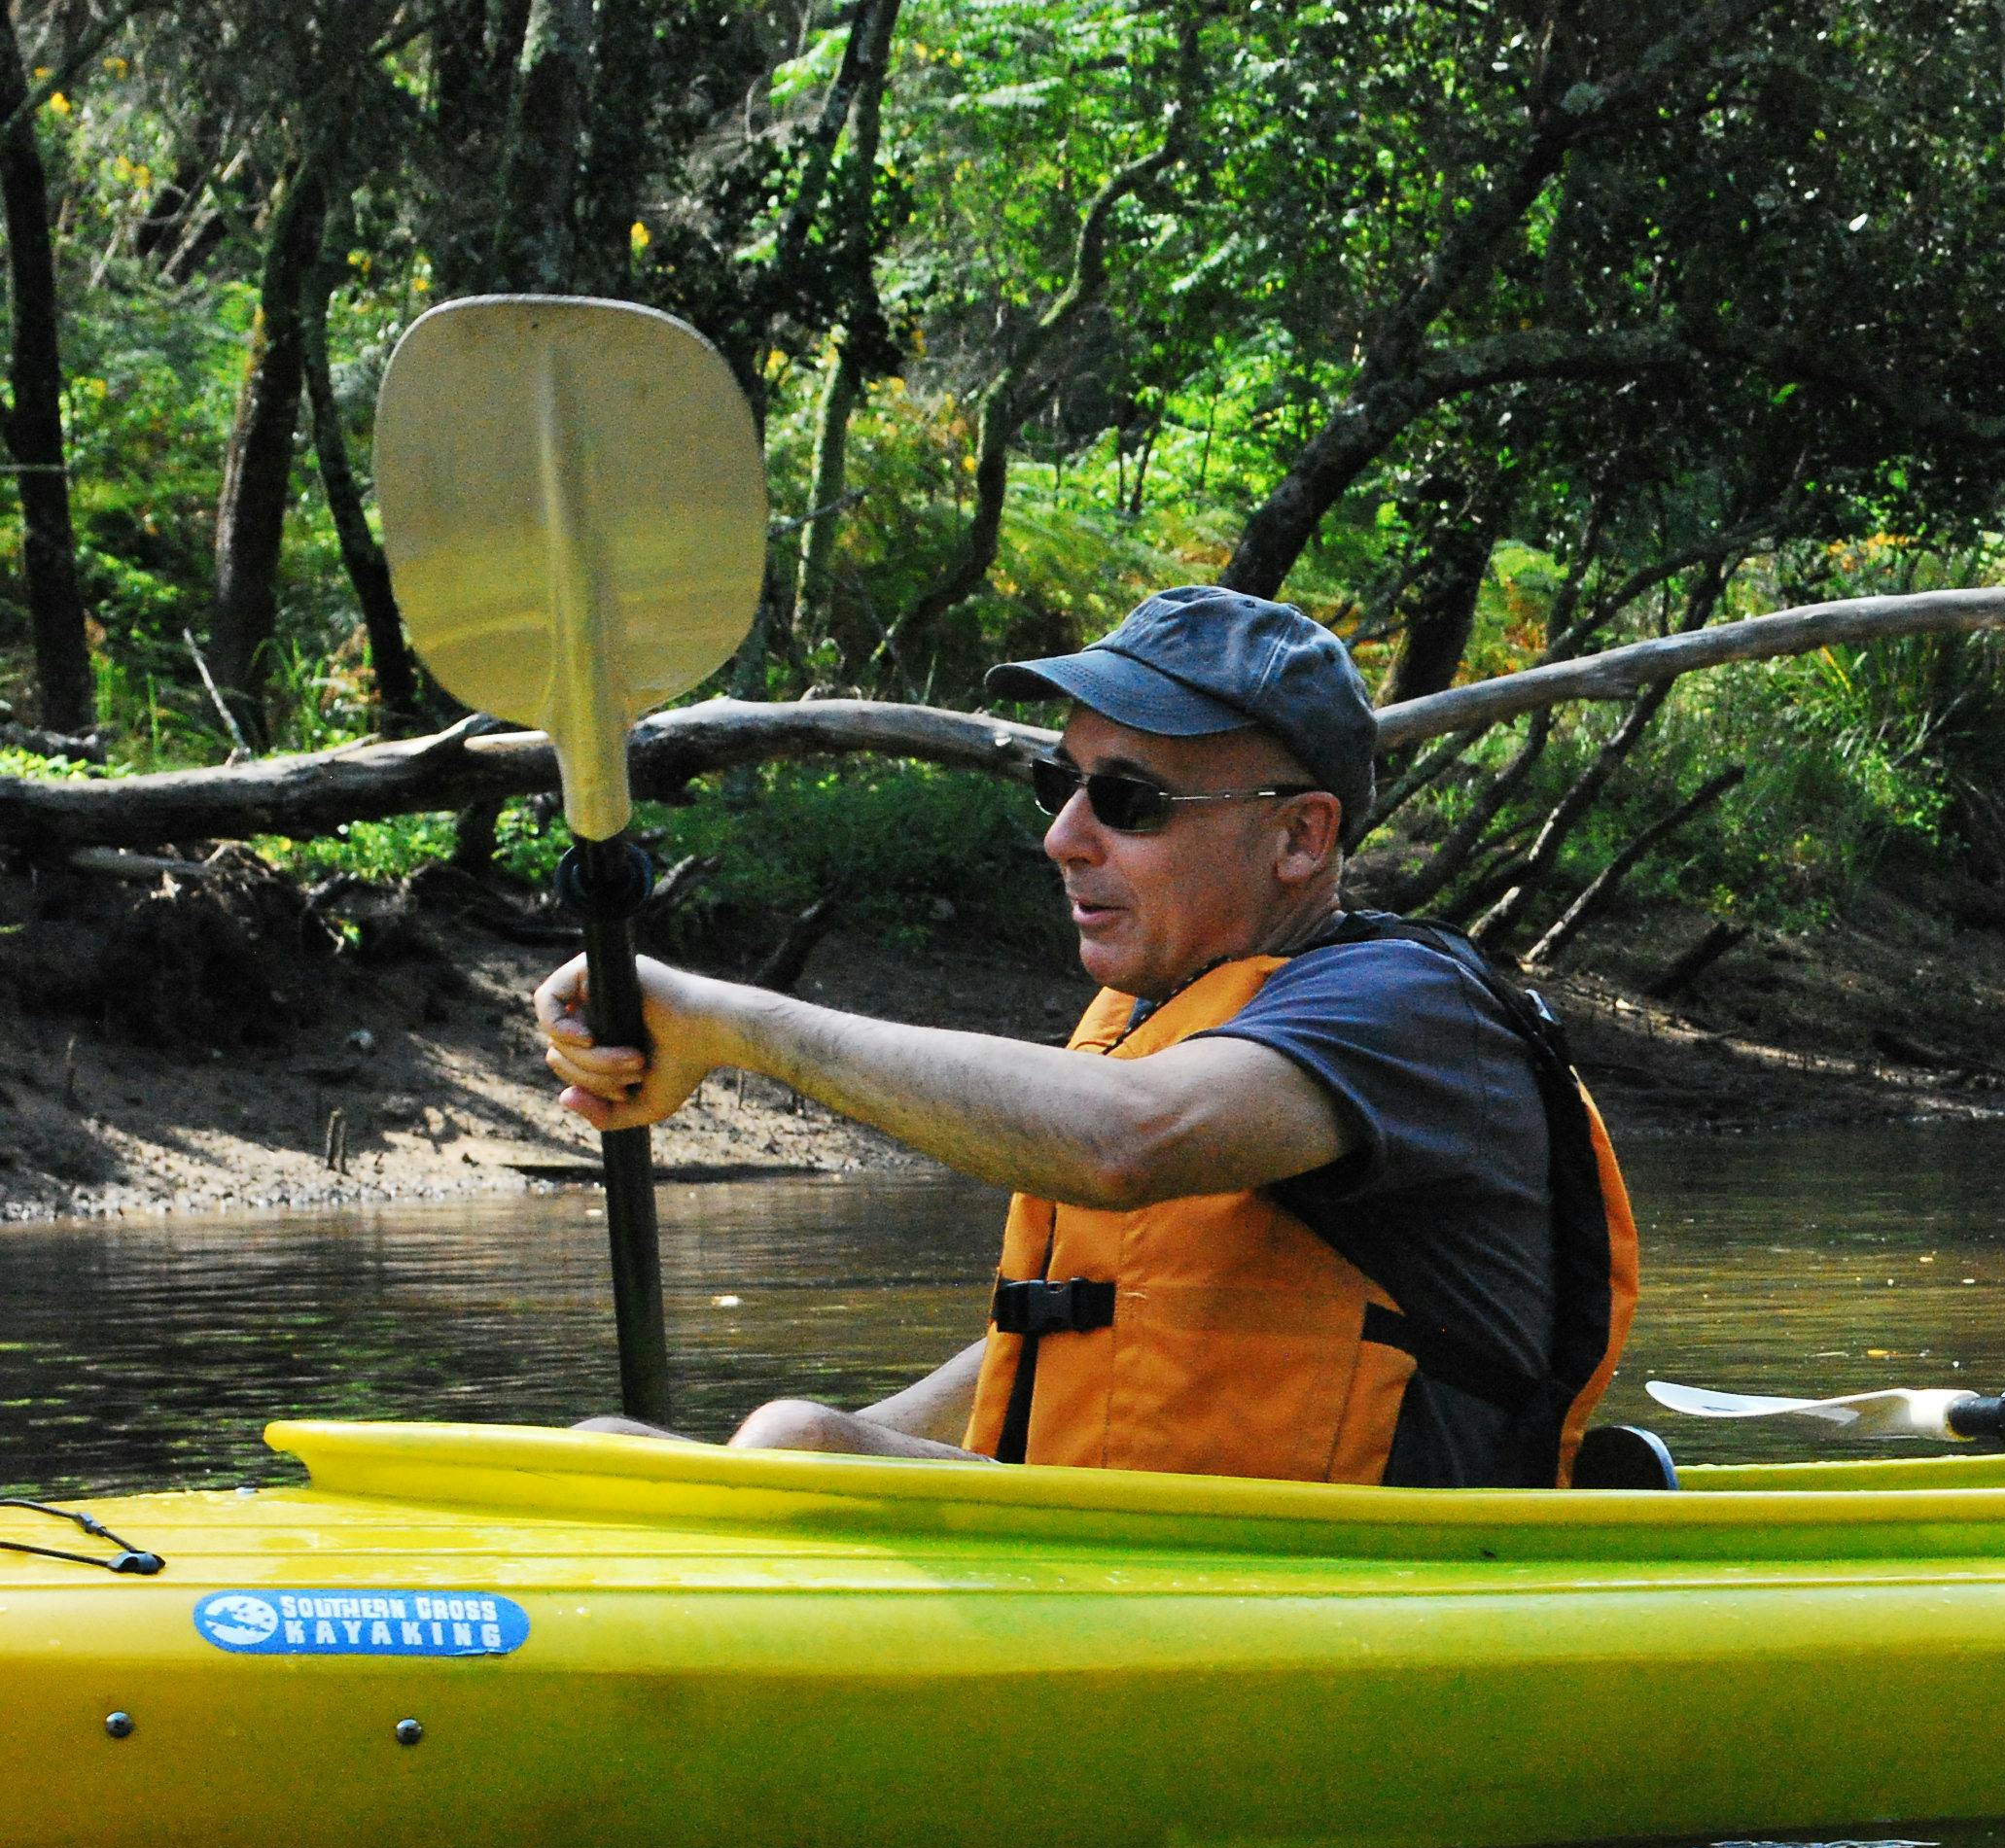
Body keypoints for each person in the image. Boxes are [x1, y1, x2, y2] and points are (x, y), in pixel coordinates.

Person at [534, 586, 1638, 1488]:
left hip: (1348, 1590)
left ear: (1300, 837)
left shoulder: (1405, 1010)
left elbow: (1124, 1141)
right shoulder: (1157, 1011)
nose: (1065, 838)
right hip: (1139, 1552)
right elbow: (1082, 1331)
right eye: (1060, 784)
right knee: (624, 1458)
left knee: (794, 1440)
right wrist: (791, 1458)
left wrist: (732, 1026)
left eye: (1128, 801)